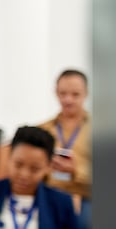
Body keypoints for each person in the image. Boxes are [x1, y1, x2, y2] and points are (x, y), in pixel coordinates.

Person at [36, 69, 92, 215]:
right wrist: (45, 168)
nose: (68, 100)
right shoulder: (43, 130)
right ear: (56, 93)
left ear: (86, 93)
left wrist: (75, 171)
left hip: (86, 196)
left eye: (75, 94)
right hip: (49, 194)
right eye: (63, 94)